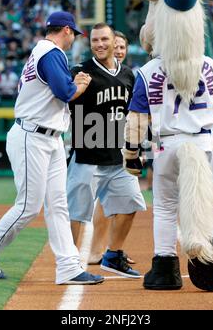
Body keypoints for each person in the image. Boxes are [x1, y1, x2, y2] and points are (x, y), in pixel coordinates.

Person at [0, 11, 104, 286]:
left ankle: (68, 267)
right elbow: (65, 93)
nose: (73, 39)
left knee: (58, 205)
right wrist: (80, 84)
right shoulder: (50, 51)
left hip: (49, 137)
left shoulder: (42, 52)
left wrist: (74, 84)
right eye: (73, 33)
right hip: (33, 136)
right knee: (29, 205)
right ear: (65, 30)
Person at [123, 0, 213, 292]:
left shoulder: (148, 70)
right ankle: (206, 251)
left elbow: (137, 119)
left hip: (167, 146)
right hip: (203, 140)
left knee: (166, 207)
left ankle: (165, 268)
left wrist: (132, 154)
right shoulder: (210, 65)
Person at [67, 23, 146, 278]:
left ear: (115, 43)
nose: (99, 44)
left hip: (117, 157)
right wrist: (73, 89)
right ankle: (68, 263)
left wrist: (136, 148)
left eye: (104, 40)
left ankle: (113, 256)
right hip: (87, 156)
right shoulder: (80, 71)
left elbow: (134, 114)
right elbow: (61, 99)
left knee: (131, 204)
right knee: (76, 214)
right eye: (95, 40)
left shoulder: (128, 75)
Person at [88, 31, 136, 265]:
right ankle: (96, 249)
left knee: (125, 201)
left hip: (123, 144)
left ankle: (114, 249)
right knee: (103, 200)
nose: (118, 51)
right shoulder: (95, 73)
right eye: (115, 46)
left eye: (122, 47)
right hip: (98, 143)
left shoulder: (128, 76)